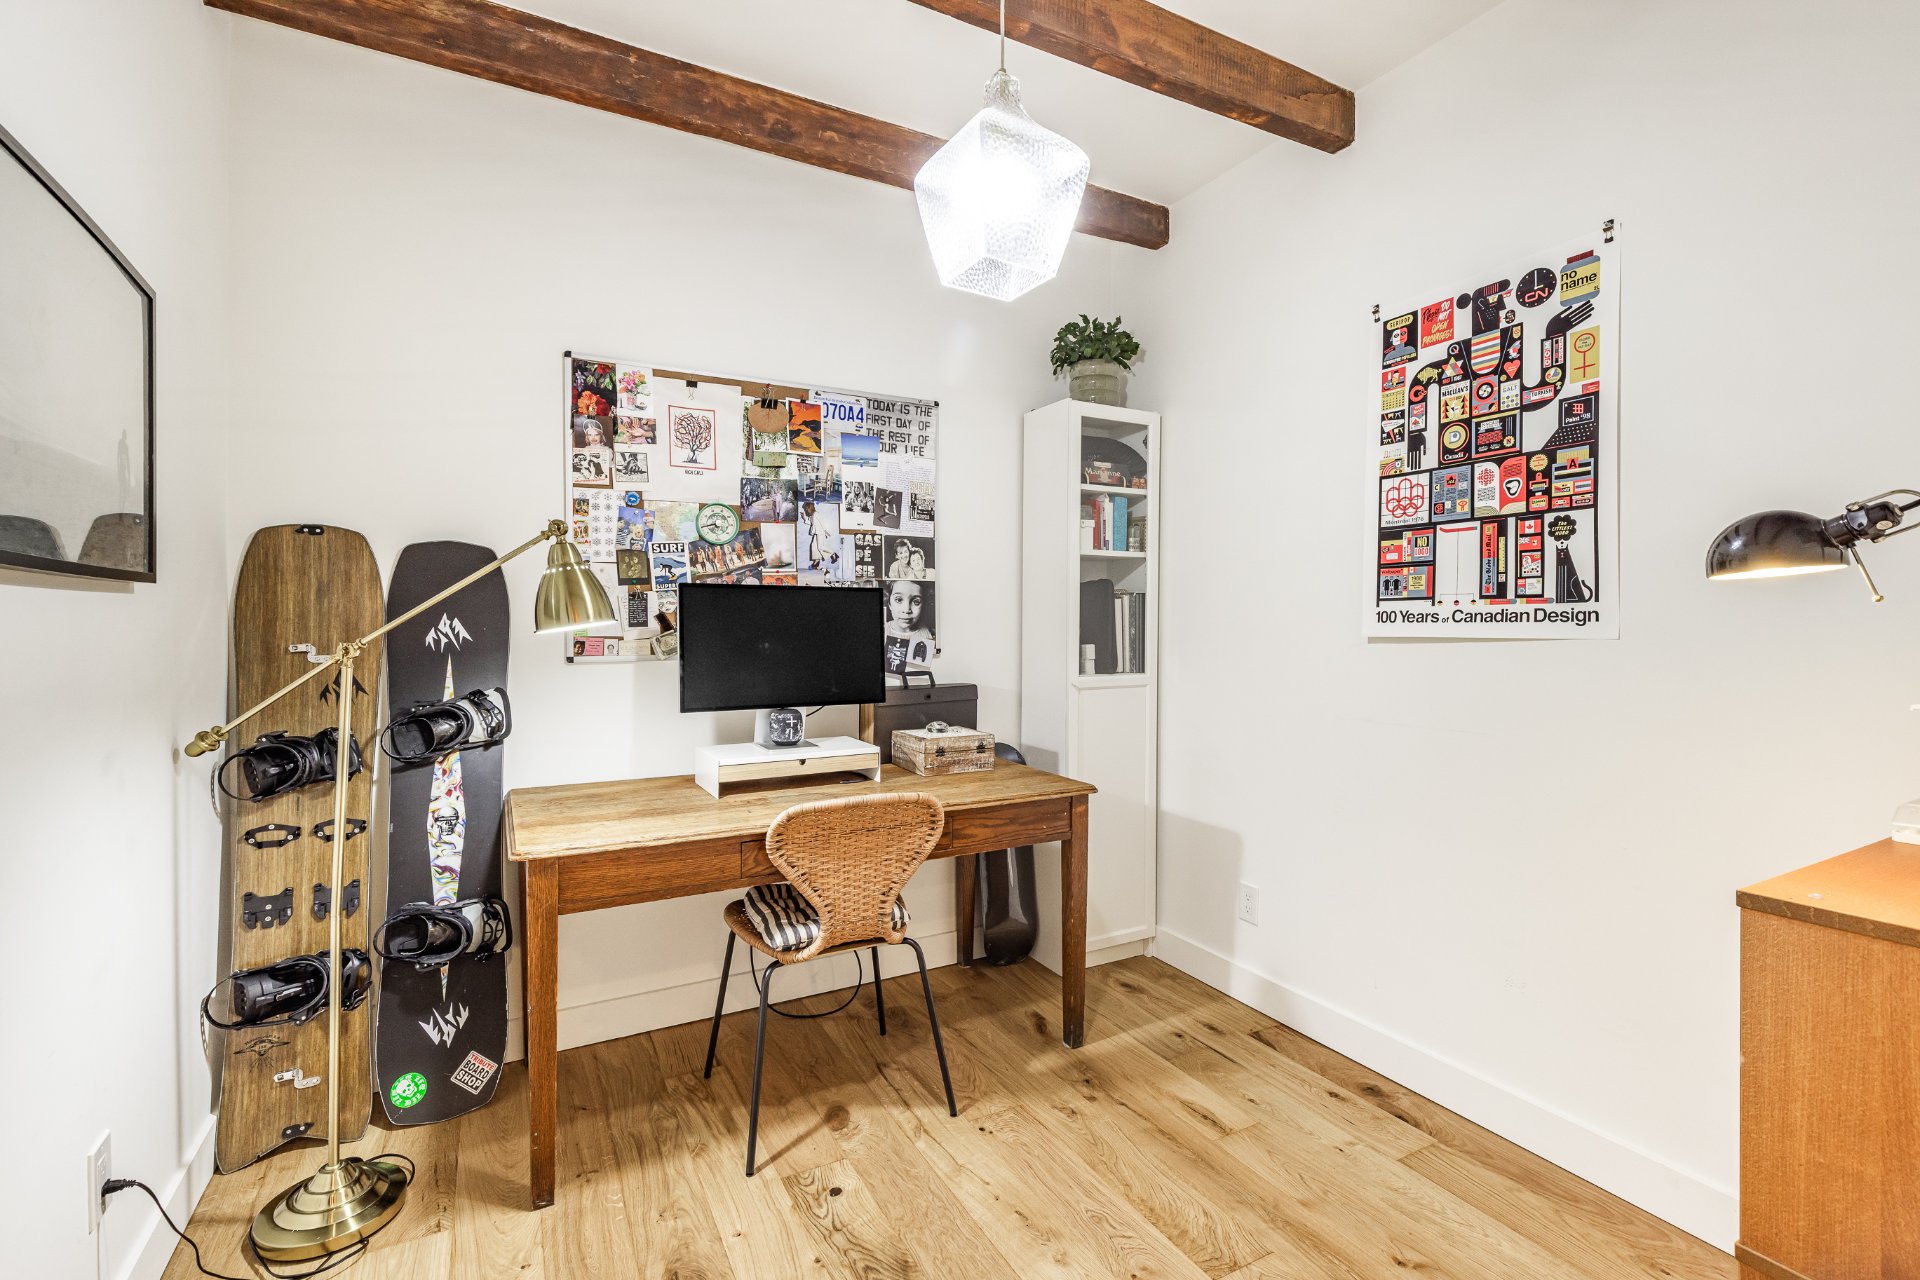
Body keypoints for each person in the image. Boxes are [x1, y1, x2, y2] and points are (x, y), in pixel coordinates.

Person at [884, 580, 935, 672]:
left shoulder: (928, 635)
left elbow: (920, 671)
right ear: (889, 604)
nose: (906, 610)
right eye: (898, 600)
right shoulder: (881, 631)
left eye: (916, 601)